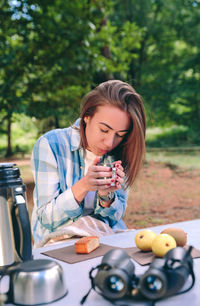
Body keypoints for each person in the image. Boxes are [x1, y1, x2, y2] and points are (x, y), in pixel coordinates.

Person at [31, 80, 146, 245]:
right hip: (58, 243)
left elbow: (116, 218)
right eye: (104, 130)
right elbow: (47, 219)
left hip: (104, 239)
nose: (109, 142)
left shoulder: (123, 150)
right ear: (86, 116)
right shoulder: (50, 145)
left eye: (119, 134)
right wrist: (84, 186)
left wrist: (107, 197)